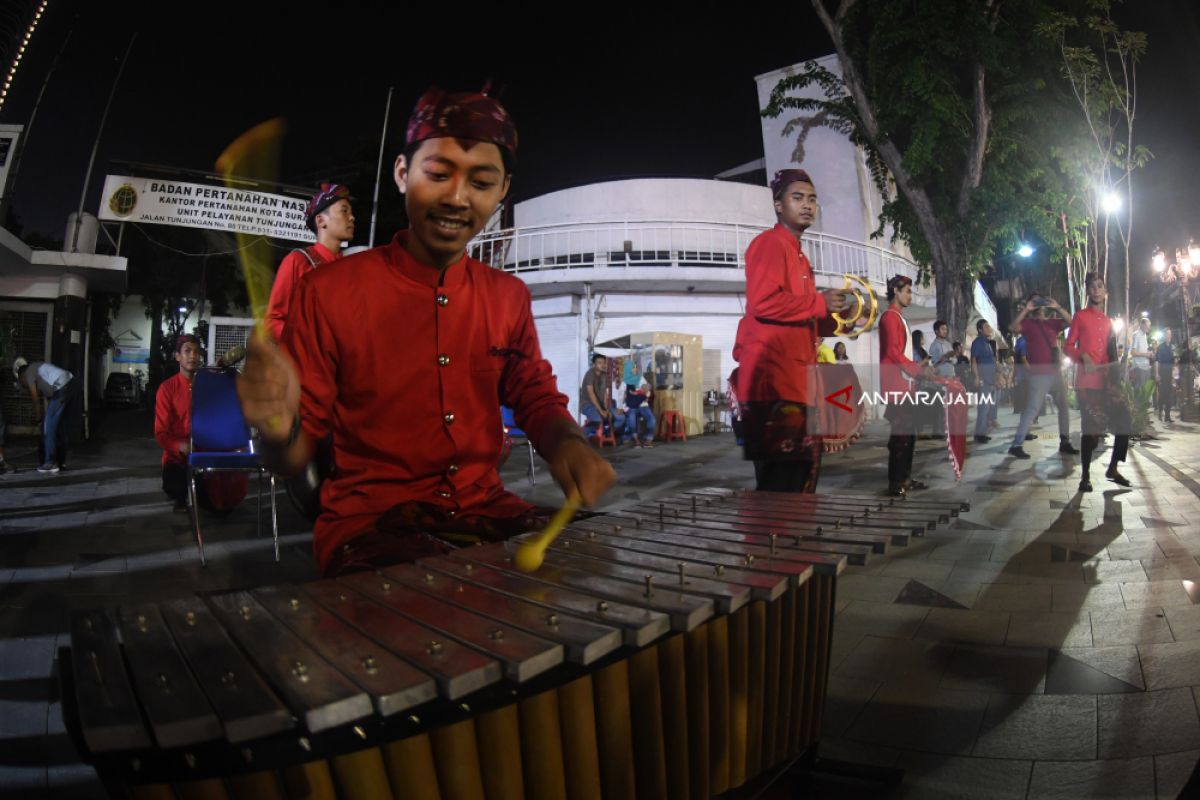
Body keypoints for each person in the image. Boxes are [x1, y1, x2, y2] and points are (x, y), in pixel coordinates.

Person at [237, 86, 616, 576]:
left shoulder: (508, 296)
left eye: (481, 183)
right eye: (437, 175)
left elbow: (535, 396)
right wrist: (273, 426)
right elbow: (291, 457)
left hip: (487, 512)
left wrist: (568, 442)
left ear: (503, 191)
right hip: (370, 526)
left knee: (595, 561)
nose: (457, 198)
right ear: (402, 173)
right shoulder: (327, 292)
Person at [732, 168, 847, 493]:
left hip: (796, 385)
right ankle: (775, 544)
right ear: (778, 205)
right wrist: (818, 303)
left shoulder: (799, 256)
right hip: (775, 389)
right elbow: (764, 304)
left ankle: (791, 544)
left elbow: (803, 315)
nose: (807, 205)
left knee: (801, 485)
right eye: (797, 197)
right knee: (782, 493)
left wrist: (837, 316)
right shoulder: (770, 244)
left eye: (812, 199)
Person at [155, 335, 248, 512]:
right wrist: (181, 447)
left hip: (207, 450)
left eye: (196, 352)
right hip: (180, 457)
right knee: (175, 484)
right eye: (187, 351)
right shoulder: (167, 389)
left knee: (219, 507)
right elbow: (160, 434)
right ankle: (182, 496)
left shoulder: (210, 382)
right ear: (177, 356)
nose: (192, 356)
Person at [1063, 273, 1131, 492]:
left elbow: (1112, 355)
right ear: (1088, 292)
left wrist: (1116, 382)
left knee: (1124, 421)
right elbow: (1068, 346)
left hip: (1107, 383)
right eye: (1092, 287)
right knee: (1090, 431)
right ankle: (1085, 476)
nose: (1096, 290)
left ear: (1105, 292)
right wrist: (1082, 356)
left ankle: (1112, 468)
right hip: (1087, 383)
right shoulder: (1080, 317)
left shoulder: (1109, 321)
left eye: (1100, 286)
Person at [265, 183, 356, 341]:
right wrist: (304, 341)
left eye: (351, 212)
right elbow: (273, 321)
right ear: (321, 221)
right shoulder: (298, 261)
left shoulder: (352, 269)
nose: (352, 217)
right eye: (344, 211)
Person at [879, 275, 931, 496]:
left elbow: (899, 353)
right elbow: (893, 352)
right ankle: (896, 482)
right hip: (897, 385)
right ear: (896, 291)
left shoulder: (898, 317)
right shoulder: (890, 317)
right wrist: (918, 370)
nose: (910, 295)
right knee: (901, 436)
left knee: (907, 435)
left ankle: (905, 478)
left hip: (904, 384)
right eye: (908, 291)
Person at [1007, 296, 1077, 458]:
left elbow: (1072, 322)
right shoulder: (1028, 324)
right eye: (1037, 303)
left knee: (1063, 408)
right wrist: (1026, 309)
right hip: (1038, 374)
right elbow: (1012, 327)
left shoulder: (1052, 323)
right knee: (1032, 409)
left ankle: (1064, 442)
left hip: (1055, 372)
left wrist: (1058, 307)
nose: (1040, 306)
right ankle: (1016, 445)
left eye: (1042, 302)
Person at [14, 356, 79, 473]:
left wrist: (39, 417)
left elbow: (35, 399)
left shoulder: (29, 372)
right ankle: (61, 462)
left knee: (48, 427)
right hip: (71, 384)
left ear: (22, 376)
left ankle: (50, 462)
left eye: (22, 382)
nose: (25, 385)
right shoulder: (40, 373)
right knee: (59, 427)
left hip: (62, 386)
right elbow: (50, 399)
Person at [580, 353, 624, 441]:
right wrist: (601, 411)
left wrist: (606, 408)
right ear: (594, 364)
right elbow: (591, 394)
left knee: (621, 417)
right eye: (599, 363)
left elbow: (605, 394)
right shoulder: (590, 374)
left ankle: (606, 433)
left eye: (604, 363)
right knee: (598, 420)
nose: (602, 365)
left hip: (600, 404)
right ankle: (581, 435)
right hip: (587, 404)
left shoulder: (605, 375)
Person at [970, 320, 998, 443]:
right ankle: (979, 435)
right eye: (986, 326)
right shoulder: (978, 342)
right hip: (984, 381)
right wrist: (976, 377)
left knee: (989, 408)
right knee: (984, 408)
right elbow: (974, 360)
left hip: (991, 380)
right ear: (980, 330)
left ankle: (983, 432)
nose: (989, 328)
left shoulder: (988, 343)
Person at [621, 361, 656, 447]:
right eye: (633, 368)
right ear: (628, 370)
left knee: (652, 419)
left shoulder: (641, 379)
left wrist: (643, 394)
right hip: (631, 406)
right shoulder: (624, 382)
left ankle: (649, 439)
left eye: (636, 367)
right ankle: (635, 439)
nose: (636, 369)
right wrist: (626, 408)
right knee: (632, 418)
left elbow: (648, 393)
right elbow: (621, 398)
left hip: (643, 405)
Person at [1156, 327, 1176, 422]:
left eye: (1170, 334)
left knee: (1169, 395)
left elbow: (1173, 361)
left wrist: (1174, 371)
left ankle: (1167, 416)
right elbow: (1157, 362)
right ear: (1164, 336)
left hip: (1170, 374)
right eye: (1167, 334)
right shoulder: (1160, 347)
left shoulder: (1172, 347)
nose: (1169, 336)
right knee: (1163, 394)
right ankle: (1160, 412)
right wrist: (1157, 374)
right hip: (1162, 373)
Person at [1129, 316, 1153, 389]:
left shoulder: (1145, 335)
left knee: (1146, 391)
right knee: (1140, 391)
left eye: (1149, 326)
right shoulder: (1136, 335)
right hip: (1139, 367)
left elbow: (1142, 350)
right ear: (1142, 325)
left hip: (1146, 367)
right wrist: (1145, 354)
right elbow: (1132, 352)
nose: (1149, 328)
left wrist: (1149, 353)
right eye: (1147, 326)